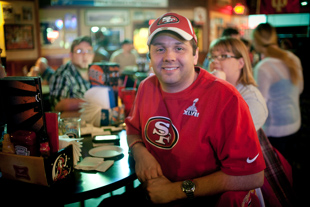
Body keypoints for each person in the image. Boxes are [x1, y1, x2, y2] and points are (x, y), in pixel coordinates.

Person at [101, 12, 266, 206]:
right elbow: (133, 129)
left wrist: (174, 191)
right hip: (154, 191)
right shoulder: (146, 86)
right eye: (160, 49)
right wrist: (140, 152)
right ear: (150, 57)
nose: (169, 57)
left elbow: (253, 176)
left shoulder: (226, 98)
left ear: (195, 55)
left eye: (179, 48)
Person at [252, 23, 304, 161]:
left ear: (256, 42)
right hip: (295, 122)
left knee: (279, 175)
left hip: (275, 129)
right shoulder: (292, 58)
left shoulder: (263, 67)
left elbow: (260, 103)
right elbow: (300, 89)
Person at [208, 37, 268, 131]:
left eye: (223, 56)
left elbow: (227, 134)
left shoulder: (252, 100)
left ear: (240, 63)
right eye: (213, 56)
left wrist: (220, 88)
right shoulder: (208, 89)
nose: (215, 61)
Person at [49, 36, 94, 112]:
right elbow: (57, 108)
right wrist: (92, 103)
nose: (85, 55)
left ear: (93, 55)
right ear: (71, 55)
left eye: (89, 51)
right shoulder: (63, 74)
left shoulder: (96, 73)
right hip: (74, 123)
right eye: (79, 51)